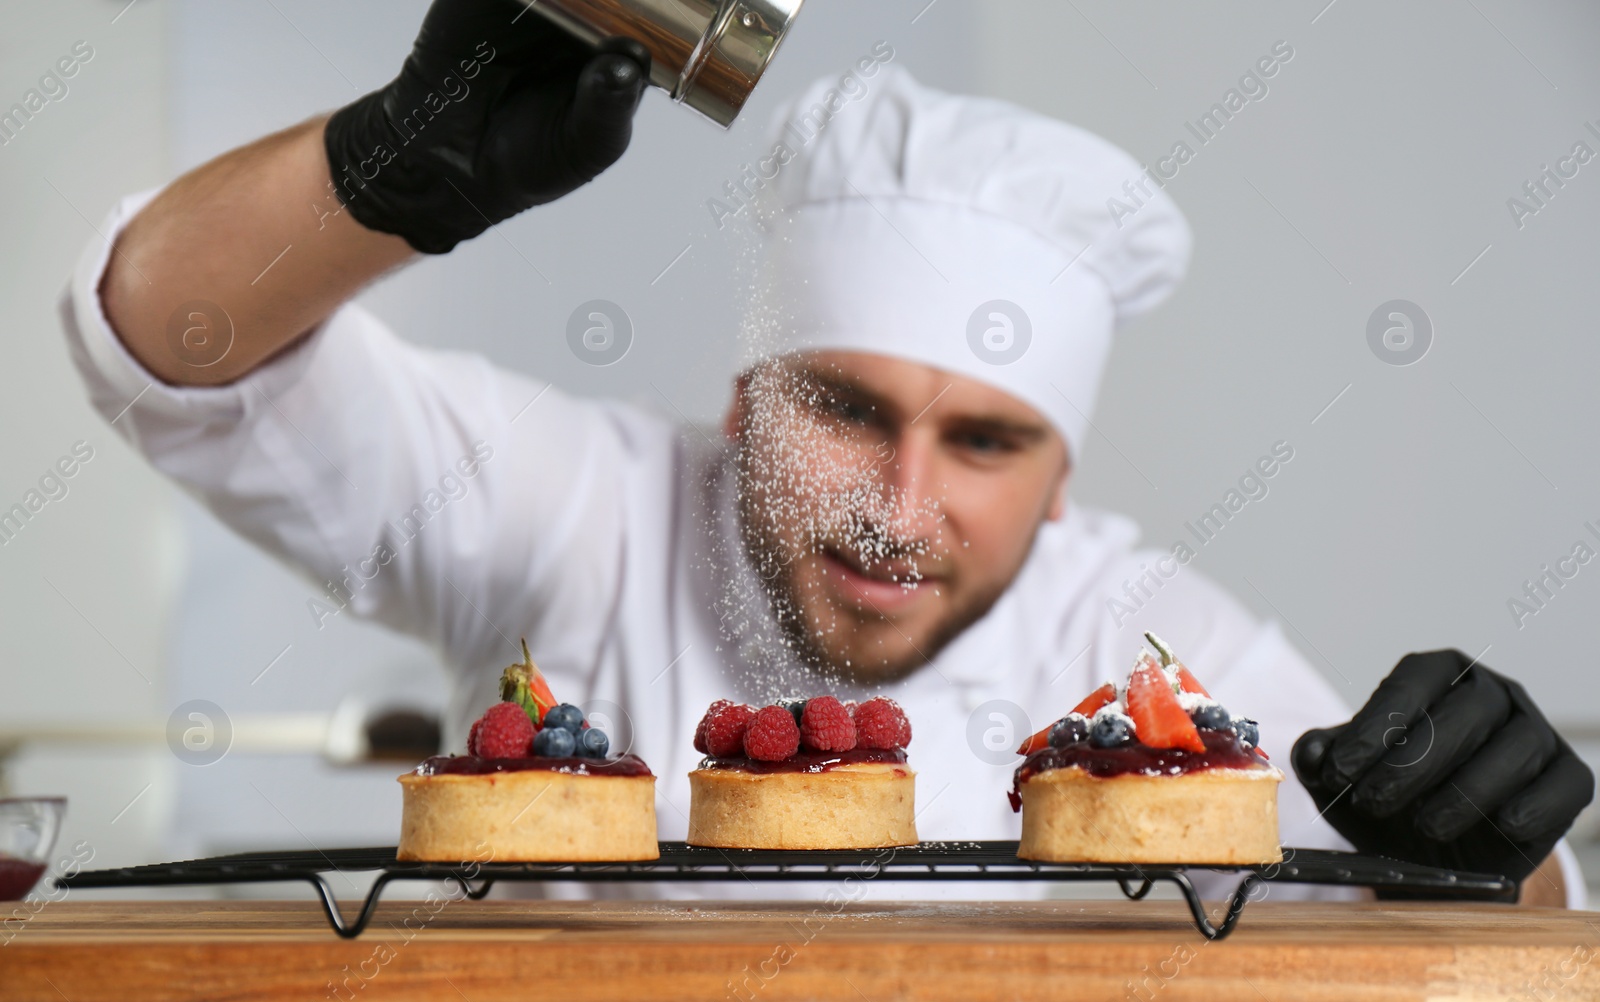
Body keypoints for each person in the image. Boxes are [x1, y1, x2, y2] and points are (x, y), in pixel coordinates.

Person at [65, 0, 1590, 904]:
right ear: (743, 403)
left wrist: (1496, 837)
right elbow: (166, 343)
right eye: (847, 408)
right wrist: (382, 178)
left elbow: (1484, 922)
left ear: (1063, 485)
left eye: (986, 440)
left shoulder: (1155, 659)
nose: (900, 505)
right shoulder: (573, 510)